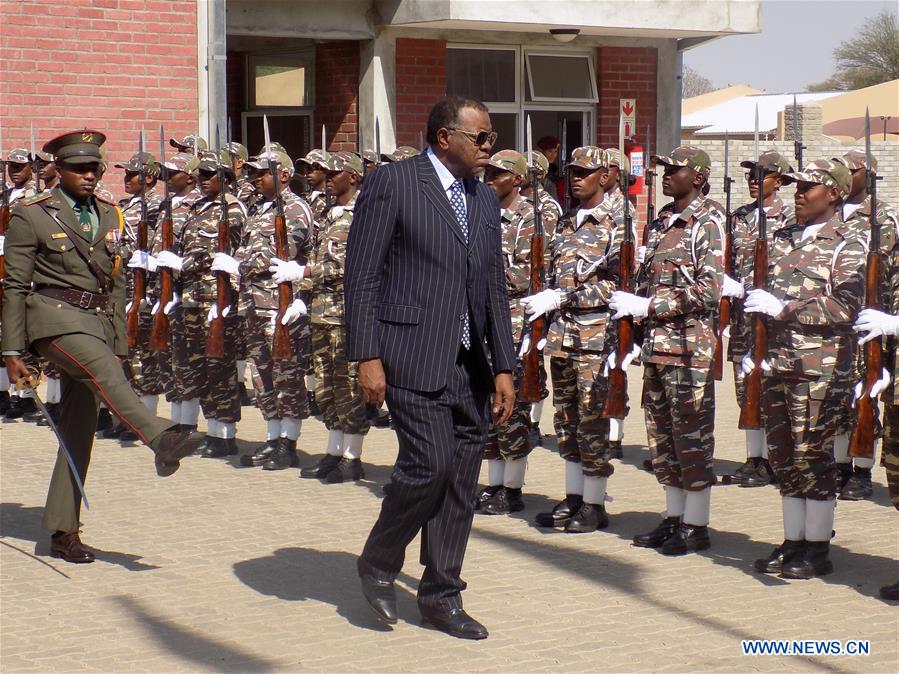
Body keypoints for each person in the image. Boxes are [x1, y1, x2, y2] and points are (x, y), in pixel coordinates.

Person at [345, 96, 515, 639]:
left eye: (492, 138)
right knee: (429, 467)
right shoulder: (395, 183)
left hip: (471, 364)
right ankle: (378, 558)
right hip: (410, 354)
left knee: (461, 481)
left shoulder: (485, 200)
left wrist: (505, 368)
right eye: (481, 138)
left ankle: (442, 597)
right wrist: (367, 355)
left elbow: (493, 290)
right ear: (446, 137)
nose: (490, 148)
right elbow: (363, 275)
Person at [2, 130, 203, 563]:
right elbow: (14, 286)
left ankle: (63, 531)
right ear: (58, 170)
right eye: (79, 168)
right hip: (52, 319)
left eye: (95, 168)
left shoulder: (111, 215)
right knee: (104, 374)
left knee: (79, 428)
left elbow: (114, 285)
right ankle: (160, 437)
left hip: (94, 322)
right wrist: (11, 351)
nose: (90, 175)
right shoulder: (32, 214)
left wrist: (119, 343)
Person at [748, 160, 865, 579]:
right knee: (783, 456)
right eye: (796, 186)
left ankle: (817, 548)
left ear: (833, 193)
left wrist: (785, 308)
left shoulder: (848, 244)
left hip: (821, 368)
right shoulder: (781, 239)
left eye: (809, 187)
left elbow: (846, 304)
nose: (799, 193)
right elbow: (757, 294)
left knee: (811, 456)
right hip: (779, 363)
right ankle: (793, 539)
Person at [611, 147, 723, 555]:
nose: (665, 175)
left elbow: (708, 289)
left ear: (696, 176)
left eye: (674, 170)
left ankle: (697, 526)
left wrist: (651, 307)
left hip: (688, 348)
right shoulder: (660, 223)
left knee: (692, 438)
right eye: (664, 169)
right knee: (663, 439)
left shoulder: (708, 222)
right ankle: (674, 518)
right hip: (657, 348)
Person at [527, 147, 623, 532]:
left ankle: (595, 503)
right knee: (565, 419)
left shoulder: (618, 222)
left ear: (604, 176)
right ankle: (573, 496)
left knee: (591, 419)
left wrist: (565, 297)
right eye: (572, 172)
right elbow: (551, 274)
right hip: (562, 336)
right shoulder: (566, 222)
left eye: (585, 171)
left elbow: (618, 286)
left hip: (595, 337)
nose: (576, 178)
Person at [276, 152, 372, 481]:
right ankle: (333, 450)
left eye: (336, 172)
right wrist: (303, 297)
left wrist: (302, 271)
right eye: (327, 172)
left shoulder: (362, 215)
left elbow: (348, 268)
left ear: (354, 178)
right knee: (324, 388)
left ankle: (352, 456)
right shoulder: (327, 213)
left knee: (348, 387)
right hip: (321, 313)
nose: (328, 177)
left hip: (346, 315)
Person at [216, 149, 312, 470]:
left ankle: (289, 442)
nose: (257, 176)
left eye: (264, 172)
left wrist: (237, 264)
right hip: (253, 304)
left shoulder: (296, 209)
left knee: (287, 374)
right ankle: (272, 438)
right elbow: (246, 247)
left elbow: (273, 256)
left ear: (284, 175)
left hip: (280, 304)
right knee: (261, 374)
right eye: (255, 172)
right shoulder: (259, 210)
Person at [155, 150, 246, 458]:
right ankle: (201, 429)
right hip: (191, 297)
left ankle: (224, 434)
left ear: (225, 178)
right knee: (191, 365)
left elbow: (218, 253)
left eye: (210, 175)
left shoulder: (232, 210)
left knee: (218, 368)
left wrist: (182, 263)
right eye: (202, 175)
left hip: (216, 298)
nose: (203, 180)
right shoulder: (196, 208)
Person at [722, 150, 794, 487]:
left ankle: (779, 459)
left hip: (774, 320)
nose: (753, 180)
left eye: (761, 175)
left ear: (778, 181)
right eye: (750, 175)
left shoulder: (792, 218)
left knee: (774, 389)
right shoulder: (738, 217)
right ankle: (755, 459)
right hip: (742, 319)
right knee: (745, 388)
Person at [833, 149, 899, 501]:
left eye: (850, 170)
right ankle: (840, 464)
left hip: (870, 316)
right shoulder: (830, 211)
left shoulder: (881, 216)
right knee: (839, 392)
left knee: (865, 392)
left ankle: (861, 467)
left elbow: (884, 268)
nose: (843, 176)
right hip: (836, 316)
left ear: (866, 176)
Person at [478, 149, 538, 516]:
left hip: (512, 323)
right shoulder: (483, 213)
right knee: (486, 407)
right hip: (481, 322)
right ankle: (494, 482)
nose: (489, 179)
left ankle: (512, 488)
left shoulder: (529, 220)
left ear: (517, 179)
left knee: (511, 409)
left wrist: (479, 278)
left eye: (498, 174)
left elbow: (524, 277)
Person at [536, 135, 560, 202]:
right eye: (550, 151)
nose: (553, 155)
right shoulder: (536, 169)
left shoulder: (553, 170)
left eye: (555, 152)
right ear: (542, 151)